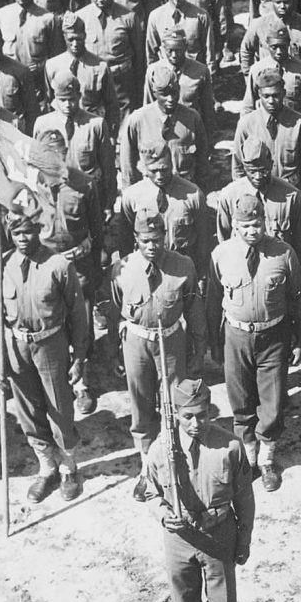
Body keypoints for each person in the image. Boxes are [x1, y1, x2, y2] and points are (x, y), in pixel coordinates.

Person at [0, 198, 89, 503]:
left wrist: (79, 356)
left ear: (37, 230)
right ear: (9, 236)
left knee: (59, 409)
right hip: (15, 348)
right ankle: (46, 467)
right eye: (16, 234)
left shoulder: (58, 265)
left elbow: (78, 316)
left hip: (51, 345)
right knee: (28, 411)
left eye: (28, 232)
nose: (23, 239)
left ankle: (69, 466)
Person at [146, 378, 254, 602]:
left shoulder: (230, 446)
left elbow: (244, 497)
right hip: (179, 536)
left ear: (211, 411)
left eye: (202, 414)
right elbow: (149, 493)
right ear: (175, 415)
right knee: (183, 590)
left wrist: (244, 539)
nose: (196, 423)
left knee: (222, 593)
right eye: (187, 416)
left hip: (219, 532)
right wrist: (163, 516)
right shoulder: (160, 450)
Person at [206, 194, 301, 492]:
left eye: (257, 224)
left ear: (266, 220)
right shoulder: (220, 255)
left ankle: (266, 459)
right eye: (246, 226)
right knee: (240, 399)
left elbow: (299, 300)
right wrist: (214, 340)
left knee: (272, 400)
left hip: (273, 336)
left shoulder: (283, 254)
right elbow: (213, 302)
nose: (253, 231)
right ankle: (247, 457)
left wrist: (300, 339)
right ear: (235, 225)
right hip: (236, 336)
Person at [107, 211, 206, 502]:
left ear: (165, 237)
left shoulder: (183, 266)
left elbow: (195, 312)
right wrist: (115, 351)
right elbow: (116, 312)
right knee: (141, 406)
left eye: (157, 239)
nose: (152, 246)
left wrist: (199, 351)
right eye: (145, 241)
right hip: (136, 343)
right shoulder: (121, 269)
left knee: (175, 402)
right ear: (136, 240)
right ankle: (147, 468)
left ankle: (176, 461)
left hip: (172, 341)